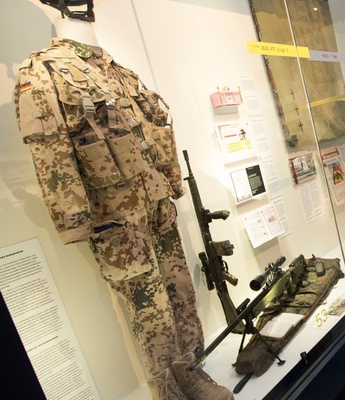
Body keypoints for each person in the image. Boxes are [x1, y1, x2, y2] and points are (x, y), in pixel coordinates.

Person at [14, 4, 232, 399]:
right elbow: (51, 152)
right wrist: (74, 219)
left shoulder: (118, 72)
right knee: (149, 311)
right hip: (116, 222)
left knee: (180, 292)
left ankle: (192, 374)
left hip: (155, 207)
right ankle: (169, 390)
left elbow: (154, 126)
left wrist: (170, 183)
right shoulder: (41, 74)